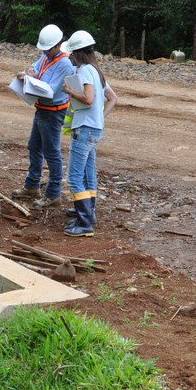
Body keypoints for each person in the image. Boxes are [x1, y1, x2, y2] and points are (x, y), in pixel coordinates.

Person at [12, 24, 75, 208]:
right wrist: (29, 72)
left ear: (57, 45)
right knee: (34, 146)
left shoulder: (64, 63)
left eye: (48, 50)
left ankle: (53, 193)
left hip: (53, 112)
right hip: (42, 110)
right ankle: (32, 185)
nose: (45, 53)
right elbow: (36, 67)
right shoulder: (47, 55)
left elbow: (49, 90)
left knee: (51, 152)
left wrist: (31, 79)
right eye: (44, 50)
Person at [61, 30, 116, 237]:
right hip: (95, 129)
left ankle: (84, 223)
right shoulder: (97, 71)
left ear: (77, 53)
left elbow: (88, 99)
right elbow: (112, 98)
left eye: (71, 54)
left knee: (74, 177)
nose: (70, 58)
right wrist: (100, 118)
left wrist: (70, 92)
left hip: (84, 129)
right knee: (88, 173)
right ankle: (88, 213)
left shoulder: (84, 70)